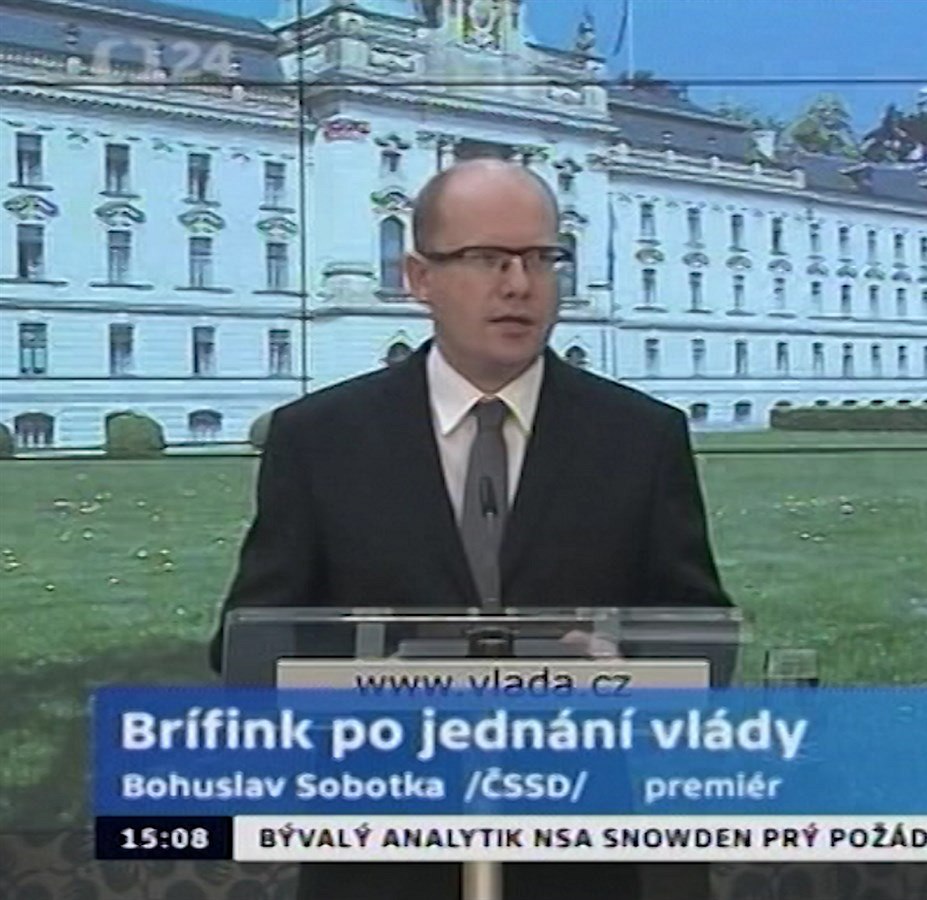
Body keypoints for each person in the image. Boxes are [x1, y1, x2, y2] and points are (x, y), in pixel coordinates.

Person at [208, 157, 732, 900]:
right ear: (419, 278)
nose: (520, 284)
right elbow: (252, 643)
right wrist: (373, 692)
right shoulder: (318, 438)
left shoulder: (641, 437)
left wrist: (624, 673)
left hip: (580, 852)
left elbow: (698, 632)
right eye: (488, 258)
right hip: (382, 856)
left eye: (542, 258)